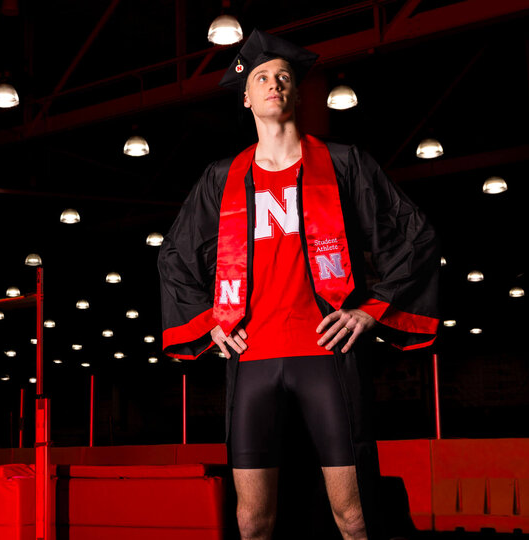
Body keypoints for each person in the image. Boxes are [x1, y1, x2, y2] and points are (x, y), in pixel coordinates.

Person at [157, 30, 440, 540]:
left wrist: (371, 310)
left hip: (326, 353)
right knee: (251, 521)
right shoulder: (222, 178)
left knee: (354, 519)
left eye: (283, 77)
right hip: (252, 358)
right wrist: (210, 324)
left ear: (298, 92)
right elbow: (175, 254)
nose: (273, 84)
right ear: (246, 97)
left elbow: (412, 233)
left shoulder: (345, 164)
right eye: (262, 77)